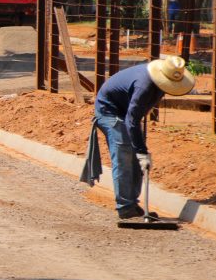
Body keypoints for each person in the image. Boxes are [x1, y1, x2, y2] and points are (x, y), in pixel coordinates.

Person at [82, 56, 194, 219]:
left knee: (135, 157)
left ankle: (132, 203)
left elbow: (136, 114)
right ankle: (125, 206)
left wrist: (140, 150)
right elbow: (132, 120)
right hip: (109, 111)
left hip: (125, 112)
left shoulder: (158, 84)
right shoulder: (145, 85)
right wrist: (142, 151)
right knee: (125, 155)